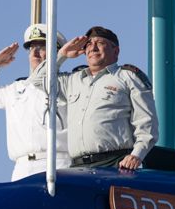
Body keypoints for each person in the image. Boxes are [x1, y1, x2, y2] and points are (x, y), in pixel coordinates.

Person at [34, 26, 158, 170]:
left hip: (115, 164)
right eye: (88, 44)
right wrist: (62, 54)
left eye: (99, 43)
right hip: (77, 167)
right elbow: (37, 80)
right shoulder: (72, 80)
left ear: (115, 51)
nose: (93, 48)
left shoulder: (127, 77)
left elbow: (146, 122)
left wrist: (136, 155)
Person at [0, 23, 71, 181]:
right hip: (22, 167)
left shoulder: (69, 83)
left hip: (58, 163)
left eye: (42, 47)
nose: (36, 53)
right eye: (32, 48)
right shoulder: (16, 89)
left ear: (57, 52)